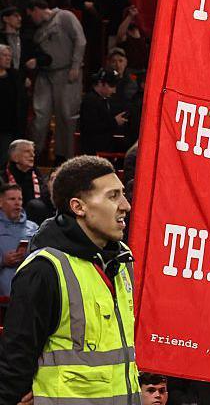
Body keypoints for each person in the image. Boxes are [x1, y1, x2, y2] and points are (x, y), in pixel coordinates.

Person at [0, 155, 138, 404]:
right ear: (78, 207)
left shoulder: (124, 262)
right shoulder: (44, 269)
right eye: (113, 196)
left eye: (123, 195)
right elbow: (15, 361)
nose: (126, 205)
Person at [24, 0, 86, 163]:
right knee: (40, 114)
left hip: (67, 73)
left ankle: (66, 157)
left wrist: (75, 65)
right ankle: (33, 155)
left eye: (31, 15)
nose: (31, 20)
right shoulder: (38, 31)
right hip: (45, 74)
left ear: (37, 9)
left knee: (66, 115)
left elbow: (80, 40)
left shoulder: (64, 16)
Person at [0, 183, 38, 298]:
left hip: (28, 295)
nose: (17, 203)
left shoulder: (34, 227)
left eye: (20, 199)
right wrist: (3, 261)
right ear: (0, 202)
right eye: (12, 199)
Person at [78, 68, 127, 155]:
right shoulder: (90, 101)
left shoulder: (102, 100)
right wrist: (114, 122)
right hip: (93, 152)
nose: (114, 90)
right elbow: (91, 127)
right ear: (101, 83)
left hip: (102, 150)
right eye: (112, 86)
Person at [4, 139, 52, 223]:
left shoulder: (37, 175)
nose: (32, 155)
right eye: (27, 151)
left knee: (36, 206)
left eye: (33, 152)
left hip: (37, 221)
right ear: (14, 157)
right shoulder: (3, 177)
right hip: (8, 221)